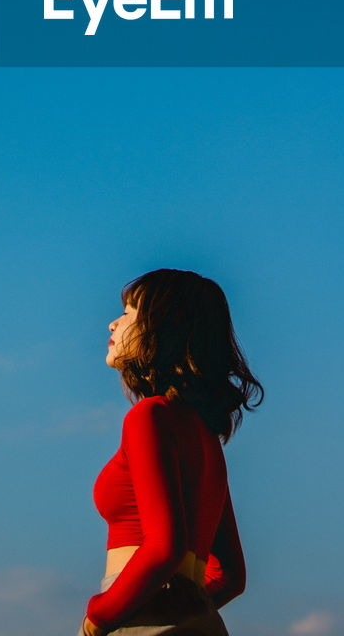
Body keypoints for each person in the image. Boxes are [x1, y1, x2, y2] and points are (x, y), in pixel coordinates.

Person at [79, 268, 263, 636]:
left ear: (161, 327)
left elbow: (164, 548)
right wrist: (188, 613)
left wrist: (99, 617)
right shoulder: (207, 437)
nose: (113, 324)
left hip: (136, 615)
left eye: (130, 313)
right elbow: (230, 577)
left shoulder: (149, 416)